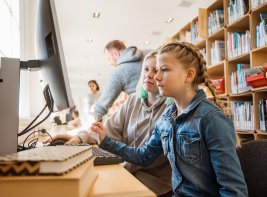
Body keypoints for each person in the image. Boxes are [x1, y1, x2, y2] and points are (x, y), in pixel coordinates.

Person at [91, 42, 249, 196]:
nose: (157, 77)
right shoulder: (166, 119)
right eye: (157, 70)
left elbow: (233, 190)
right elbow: (144, 156)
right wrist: (105, 140)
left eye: (164, 70)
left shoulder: (211, 119)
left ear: (189, 75)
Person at [46, 51, 173, 196]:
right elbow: (107, 129)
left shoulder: (170, 109)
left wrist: (118, 163)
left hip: (154, 181)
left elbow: (147, 157)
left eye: (155, 70)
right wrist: (80, 138)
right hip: (130, 170)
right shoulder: (133, 100)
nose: (149, 74)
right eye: (146, 69)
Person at [93, 40, 143, 121]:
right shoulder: (149, 53)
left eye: (109, 58)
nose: (110, 63)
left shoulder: (117, 73)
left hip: (148, 117)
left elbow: (101, 107)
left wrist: (95, 122)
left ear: (115, 54)